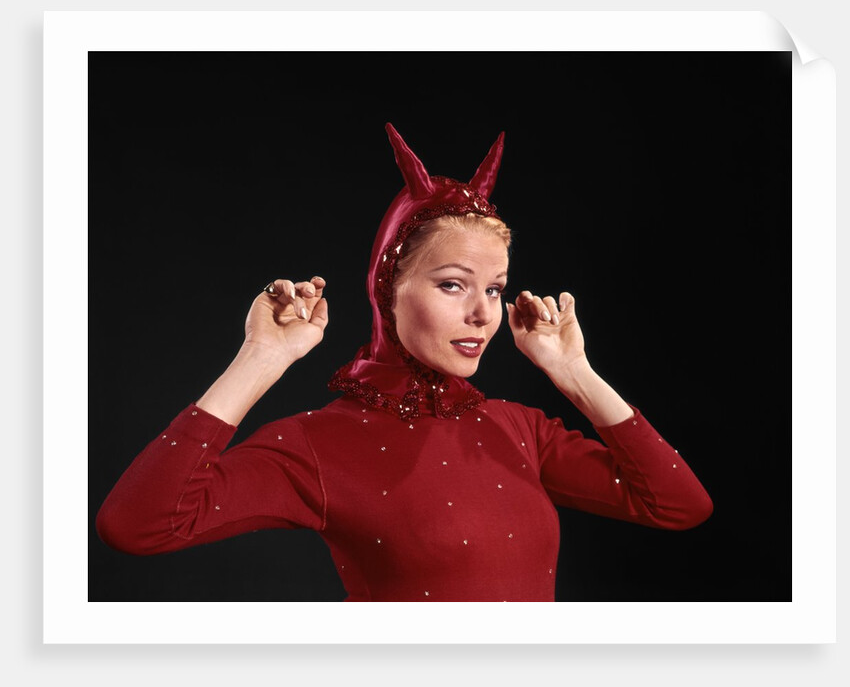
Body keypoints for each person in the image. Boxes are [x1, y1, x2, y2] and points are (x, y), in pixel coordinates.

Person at [96, 123, 713, 602]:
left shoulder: (519, 429)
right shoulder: (317, 443)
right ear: (386, 291)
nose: (483, 314)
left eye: (495, 289)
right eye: (453, 284)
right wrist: (260, 358)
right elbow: (140, 526)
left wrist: (575, 372)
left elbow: (678, 506)